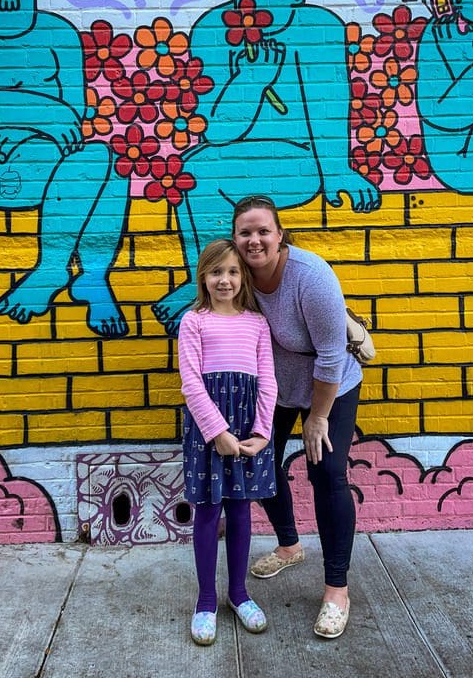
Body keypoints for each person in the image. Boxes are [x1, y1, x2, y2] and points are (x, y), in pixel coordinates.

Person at [231, 195, 362, 639]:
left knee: (325, 471)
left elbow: (330, 355)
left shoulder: (311, 277)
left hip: (331, 385)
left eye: (263, 231)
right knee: (256, 460)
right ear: (235, 238)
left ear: (280, 234)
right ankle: (289, 546)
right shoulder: (238, 275)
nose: (254, 240)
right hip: (277, 389)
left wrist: (318, 418)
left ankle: (336, 590)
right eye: (245, 232)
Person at [178, 239, 278, 646]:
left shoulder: (256, 323)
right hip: (209, 432)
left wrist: (262, 432)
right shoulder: (193, 321)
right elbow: (190, 382)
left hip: (248, 428)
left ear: (243, 278)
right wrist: (217, 433)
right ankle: (205, 601)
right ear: (203, 275)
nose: (225, 280)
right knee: (208, 511)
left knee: (240, 511)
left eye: (233, 272)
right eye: (217, 272)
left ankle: (239, 595)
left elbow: (268, 380)